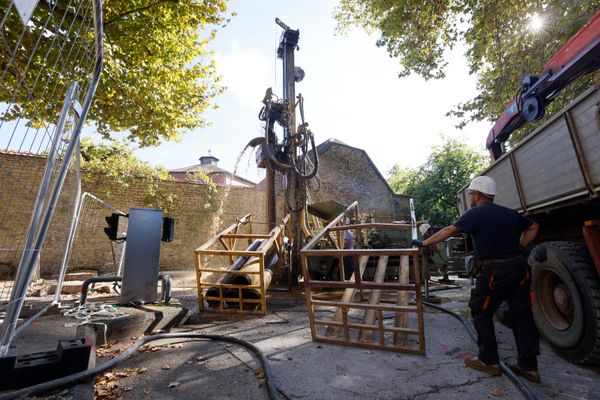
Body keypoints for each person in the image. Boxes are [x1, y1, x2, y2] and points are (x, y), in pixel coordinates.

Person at [411, 176, 541, 383]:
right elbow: (534, 226)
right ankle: (529, 367)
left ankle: (488, 361)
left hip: (493, 271)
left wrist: (423, 243)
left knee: (480, 311)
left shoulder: (476, 213)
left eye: (471, 194)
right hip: (518, 268)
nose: (470, 197)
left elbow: (448, 231)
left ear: (478, 195)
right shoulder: (510, 214)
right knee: (522, 316)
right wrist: (520, 247)